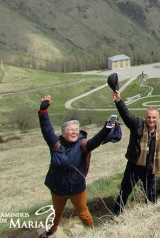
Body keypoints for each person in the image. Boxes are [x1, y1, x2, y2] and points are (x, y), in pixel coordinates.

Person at [38, 95, 114, 237]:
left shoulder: (82, 144)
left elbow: (95, 141)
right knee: (57, 212)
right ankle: (52, 231)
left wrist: (107, 129)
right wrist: (43, 112)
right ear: (64, 132)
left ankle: (92, 232)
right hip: (57, 188)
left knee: (83, 212)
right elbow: (46, 129)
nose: (74, 132)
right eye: (71, 129)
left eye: (76, 129)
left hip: (77, 188)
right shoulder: (56, 144)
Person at [112, 90, 160, 216]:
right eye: (149, 117)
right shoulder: (137, 125)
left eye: (154, 117)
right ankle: (116, 213)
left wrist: (158, 162)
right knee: (125, 191)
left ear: (158, 118)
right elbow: (126, 115)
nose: (151, 120)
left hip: (150, 168)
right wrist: (119, 101)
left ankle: (151, 214)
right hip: (134, 166)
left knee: (151, 193)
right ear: (145, 117)